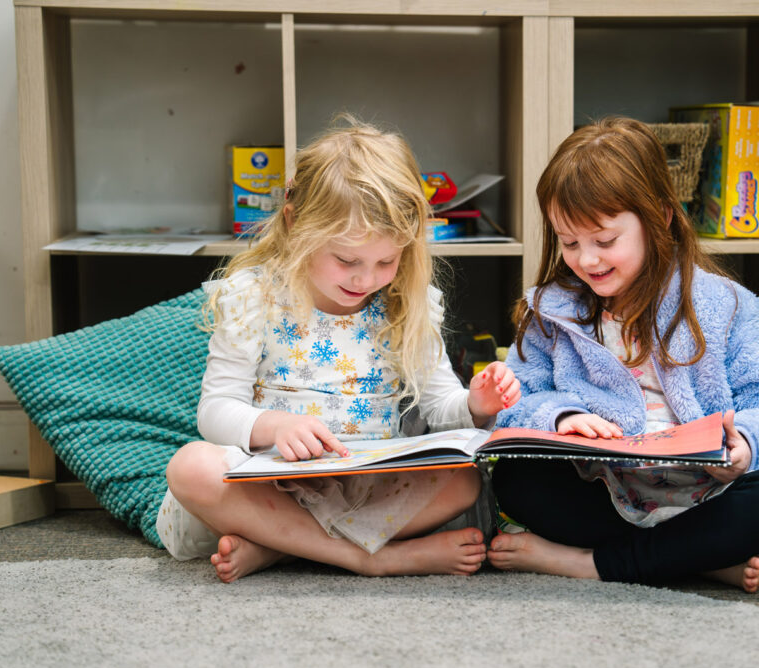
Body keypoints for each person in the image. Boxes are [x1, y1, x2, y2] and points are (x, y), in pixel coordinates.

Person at [157, 118, 521, 583]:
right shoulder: (254, 298)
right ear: (295, 225)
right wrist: (273, 426)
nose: (365, 279)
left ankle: (281, 548)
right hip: (270, 486)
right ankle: (367, 557)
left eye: (386, 261)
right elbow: (215, 410)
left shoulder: (408, 304)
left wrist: (476, 404)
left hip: (364, 487)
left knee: (464, 481)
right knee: (189, 466)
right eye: (346, 260)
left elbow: (439, 405)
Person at [487, 116, 759, 592]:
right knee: (514, 478)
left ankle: (593, 564)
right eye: (569, 242)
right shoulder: (552, 311)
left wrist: (746, 446)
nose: (587, 260)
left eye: (605, 241)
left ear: (661, 218)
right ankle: (700, 560)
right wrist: (560, 416)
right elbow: (519, 401)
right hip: (608, 490)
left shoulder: (725, 305)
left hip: (710, 492)